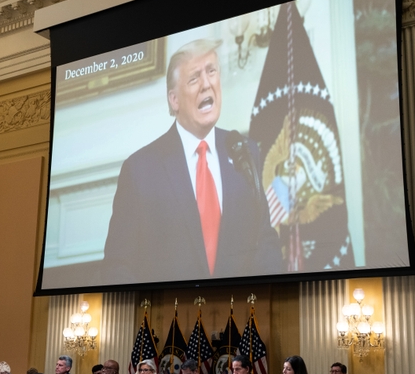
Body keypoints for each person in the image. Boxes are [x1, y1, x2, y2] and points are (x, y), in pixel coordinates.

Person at [104, 39, 282, 283]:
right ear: (174, 100)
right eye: (194, 78)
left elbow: (265, 241)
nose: (207, 84)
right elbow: (118, 265)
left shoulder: (245, 152)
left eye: (211, 71)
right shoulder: (140, 170)